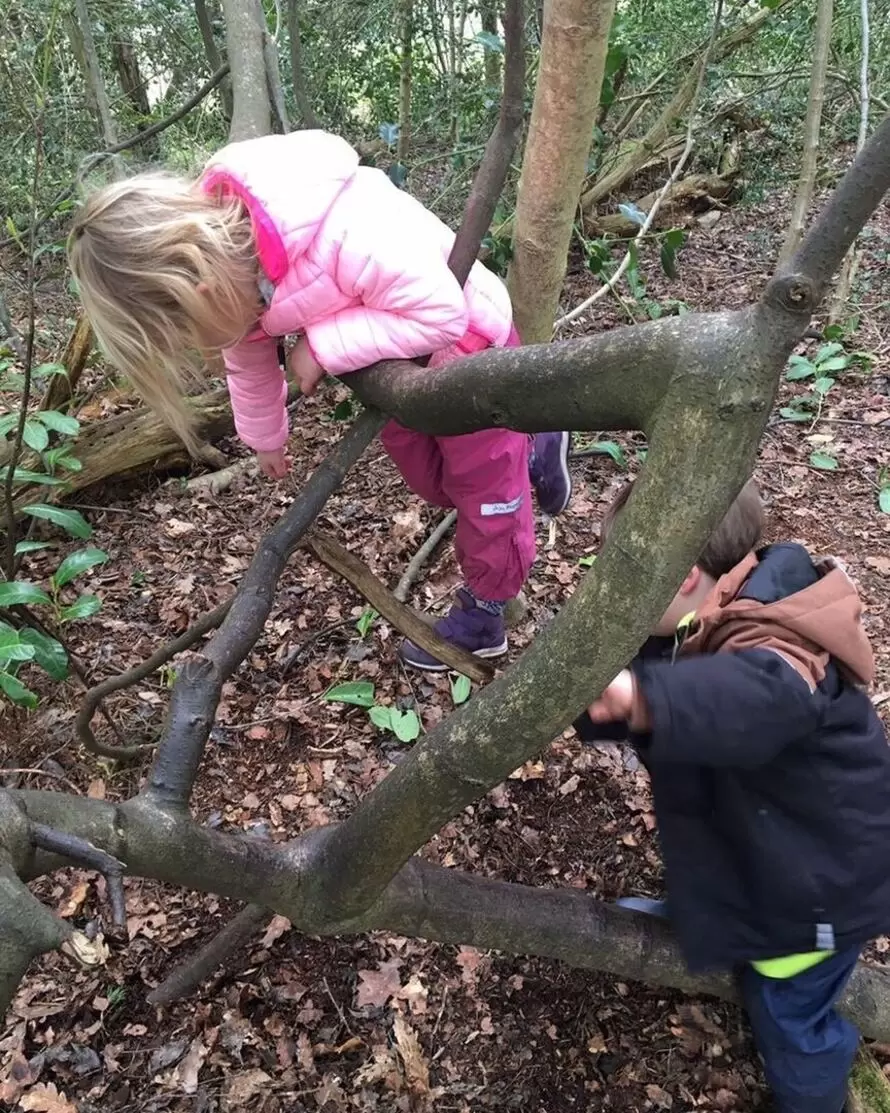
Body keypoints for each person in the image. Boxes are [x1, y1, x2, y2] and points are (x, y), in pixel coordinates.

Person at [67, 130, 573, 670]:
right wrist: (264, 437)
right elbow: (246, 351)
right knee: (432, 483)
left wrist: (322, 347)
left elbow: (441, 313)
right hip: (395, 368)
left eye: (196, 333)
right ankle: (533, 443)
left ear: (202, 288)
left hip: (470, 361)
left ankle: (486, 612)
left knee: (485, 497)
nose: (210, 348)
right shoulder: (240, 275)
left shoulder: (344, 231)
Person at [574, 478, 890, 1113]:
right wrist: (598, 703)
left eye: (630, 577)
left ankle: (816, 1099)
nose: (618, 593)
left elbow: (754, 697)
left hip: (816, 884)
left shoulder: (780, 642)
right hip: (765, 841)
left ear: (686, 574)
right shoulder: (703, 613)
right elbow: (659, 678)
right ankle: (718, 914)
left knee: (789, 1015)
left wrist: (645, 697)